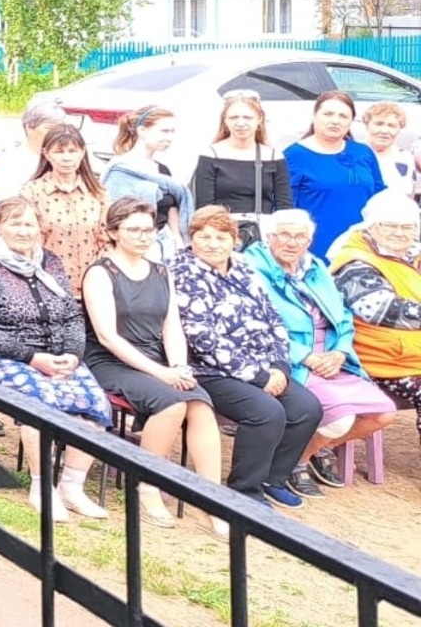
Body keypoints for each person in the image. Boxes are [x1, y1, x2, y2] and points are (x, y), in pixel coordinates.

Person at [0, 197, 113, 522]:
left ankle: (71, 487)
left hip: (57, 356)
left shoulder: (51, 262)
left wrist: (73, 354)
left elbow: (72, 315)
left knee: (94, 404)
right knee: (39, 402)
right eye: (15, 223)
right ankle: (41, 487)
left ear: (40, 228)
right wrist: (32, 357)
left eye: (29, 224)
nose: (23, 231)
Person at [81, 197, 222, 531]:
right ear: (113, 232)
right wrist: (162, 373)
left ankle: (214, 499)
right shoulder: (100, 273)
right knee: (171, 404)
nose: (143, 236)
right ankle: (147, 486)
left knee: (200, 405)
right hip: (110, 360)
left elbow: (171, 325)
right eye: (134, 230)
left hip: (156, 356)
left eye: (148, 230)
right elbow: (107, 337)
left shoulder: (161, 271)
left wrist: (179, 365)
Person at [171, 206, 322, 510]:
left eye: (221, 237)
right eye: (204, 237)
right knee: (266, 412)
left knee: (307, 408)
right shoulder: (180, 272)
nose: (213, 244)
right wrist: (259, 376)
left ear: (234, 240)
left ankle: (273, 478)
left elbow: (273, 318)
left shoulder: (243, 268)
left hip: (264, 364)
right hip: (209, 371)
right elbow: (201, 337)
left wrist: (279, 366)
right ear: (192, 238)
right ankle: (244, 490)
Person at [250, 208, 399, 493]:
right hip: (288, 359)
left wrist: (340, 352)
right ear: (269, 237)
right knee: (341, 419)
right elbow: (255, 327)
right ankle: (295, 463)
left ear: (309, 241)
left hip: (331, 357)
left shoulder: (315, 266)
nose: (292, 242)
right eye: (284, 234)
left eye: (300, 237)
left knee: (383, 414)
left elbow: (343, 316)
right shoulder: (252, 269)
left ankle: (310, 449)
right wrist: (306, 356)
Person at [329, 190, 421, 445]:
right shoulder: (355, 262)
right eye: (390, 225)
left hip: (411, 355)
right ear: (371, 226)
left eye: (408, 227)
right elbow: (380, 309)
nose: (399, 233)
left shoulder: (412, 254)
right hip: (383, 361)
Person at [285, 89, 384, 257]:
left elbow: (379, 197)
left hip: (362, 247)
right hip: (316, 247)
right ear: (314, 116)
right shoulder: (295, 156)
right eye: (328, 114)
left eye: (343, 116)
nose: (335, 121)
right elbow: (286, 208)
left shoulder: (363, 152)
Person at [191, 89, 292, 247]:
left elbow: (284, 206)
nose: (240, 123)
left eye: (247, 117)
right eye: (234, 117)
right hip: (224, 233)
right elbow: (205, 207)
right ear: (225, 120)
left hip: (263, 233)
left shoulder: (273, 155)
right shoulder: (211, 154)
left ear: (259, 119)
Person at [20, 124, 109, 294]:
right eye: (59, 152)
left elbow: (108, 238)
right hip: (48, 285)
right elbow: (28, 242)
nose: (66, 158)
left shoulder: (98, 192)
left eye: (72, 151)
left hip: (93, 285)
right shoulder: (32, 192)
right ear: (46, 154)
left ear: (82, 152)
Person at [102, 106, 193, 262]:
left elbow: (172, 206)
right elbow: (113, 212)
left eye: (172, 132)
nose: (169, 138)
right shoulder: (120, 170)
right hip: (134, 244)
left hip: (166, 243)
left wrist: (178, 239)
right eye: (164, 131)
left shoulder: (162, 170)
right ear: (142, 131)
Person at [0, 98, 68, 198]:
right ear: (29, 127)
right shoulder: (10, 161)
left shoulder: (67, 158)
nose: (56, 133)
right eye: (49, 128)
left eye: (59, 128)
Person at [362, 101, 420, 202]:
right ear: (367, 125)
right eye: (379, 124)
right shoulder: (352, 153)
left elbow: (410, 197)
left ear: (399, 129)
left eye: (392, 126)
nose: (385, 131)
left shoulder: (405, 158)